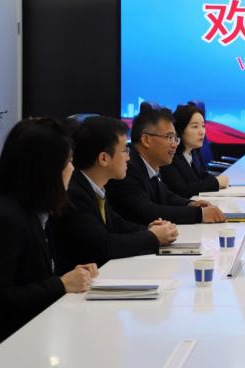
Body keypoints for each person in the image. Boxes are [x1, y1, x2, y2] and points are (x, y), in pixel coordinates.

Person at [0, 118, 99, 348]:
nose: (72, 168)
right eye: (68, 161)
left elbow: (29, 275)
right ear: (46, 169)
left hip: (23, 332)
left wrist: (71, 275)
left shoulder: (32, 210)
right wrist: (61, 284)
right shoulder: (4, 219)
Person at [52, 116, 178, 273]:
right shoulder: (75, 194)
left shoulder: (93, 186)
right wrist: (153, 237)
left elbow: (117, 224)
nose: (128, 157)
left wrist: (149, 229)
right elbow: (106, 246)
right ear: (104, 158)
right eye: (125, 150)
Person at [105, 107, 226, 225]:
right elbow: (148, 212)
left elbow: (167, 196)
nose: (174, 145)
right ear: (146, 140)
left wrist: (190, 204)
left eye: (175, 138)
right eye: (169, 137)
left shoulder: (148, 165)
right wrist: (200, 214)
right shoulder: (127, 168)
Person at [160, 104, 229, 199]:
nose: (202, 132)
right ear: (180, 129)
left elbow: (202, 176)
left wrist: (216, 181)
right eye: (195, 126)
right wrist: (216, 182)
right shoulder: (170, 157)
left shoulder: (193, 152)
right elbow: (182, 191)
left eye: (203, 126)